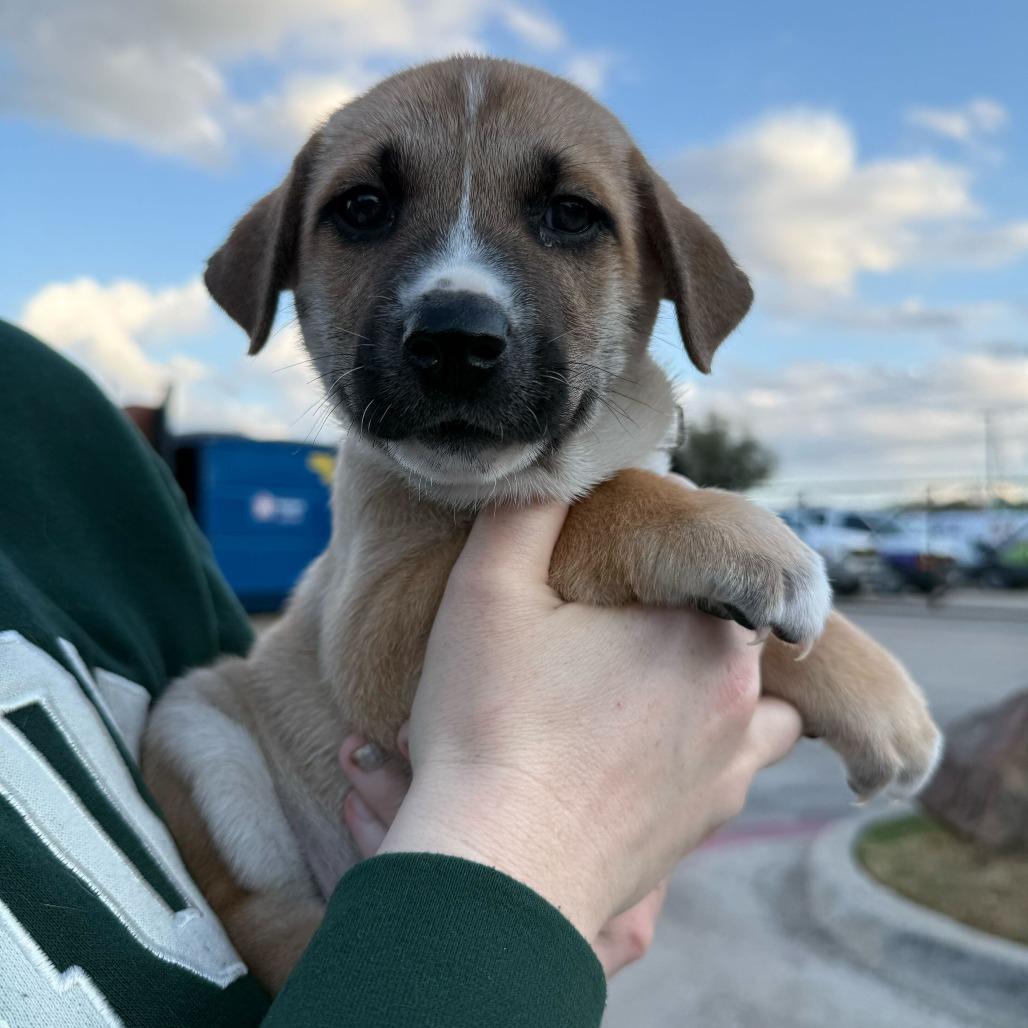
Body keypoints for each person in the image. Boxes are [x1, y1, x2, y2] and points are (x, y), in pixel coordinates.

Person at [0, 319, 800, 1027]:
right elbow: (380, 681)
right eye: (364, 212)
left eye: (568, 217)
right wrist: (519, 887)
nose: (458, 301)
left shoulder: (54, 419)